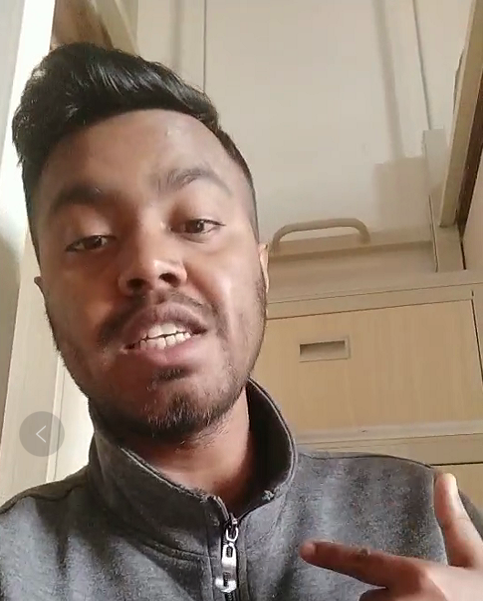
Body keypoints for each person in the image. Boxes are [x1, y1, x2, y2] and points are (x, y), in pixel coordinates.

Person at [2, 42, 482, 600]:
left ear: (261, 268)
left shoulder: (423, 516)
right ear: (47, 299)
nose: (149, 264)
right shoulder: (14, 566)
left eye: (197, 223)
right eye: (90, 239)